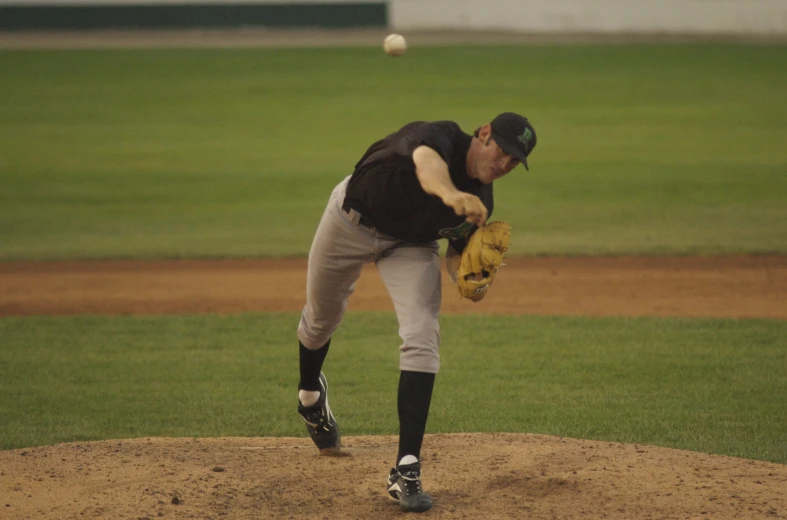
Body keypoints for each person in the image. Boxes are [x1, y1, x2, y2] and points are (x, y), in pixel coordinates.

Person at [295, 112, 537, 513]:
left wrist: (472, 279)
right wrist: (452, 195)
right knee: (322, 319)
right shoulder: (437, 137)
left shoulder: (480, 202)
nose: (505, 164)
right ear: (485, 133)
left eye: (515, 162)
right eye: (504, 152)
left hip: (408, 246)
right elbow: (427, 167)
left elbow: (458, 258)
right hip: (349, 222)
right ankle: (309, 396)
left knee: (422, 335)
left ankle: (406, 469)